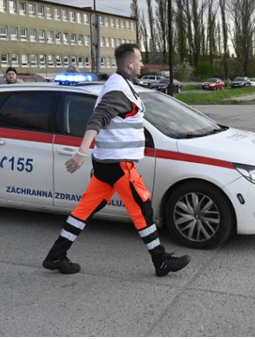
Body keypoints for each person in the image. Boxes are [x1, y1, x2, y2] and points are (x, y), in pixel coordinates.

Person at [42, 43, 191, 277]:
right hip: (119, 165)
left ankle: (55, 256)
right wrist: (81, 153)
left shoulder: (123, 85)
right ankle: (160, 261)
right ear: (130, 64)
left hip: (106, 164)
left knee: (84, 210)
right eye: (140, 60)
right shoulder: (117, 91)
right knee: (142, 209)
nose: (142, 64)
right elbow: (97, 119)